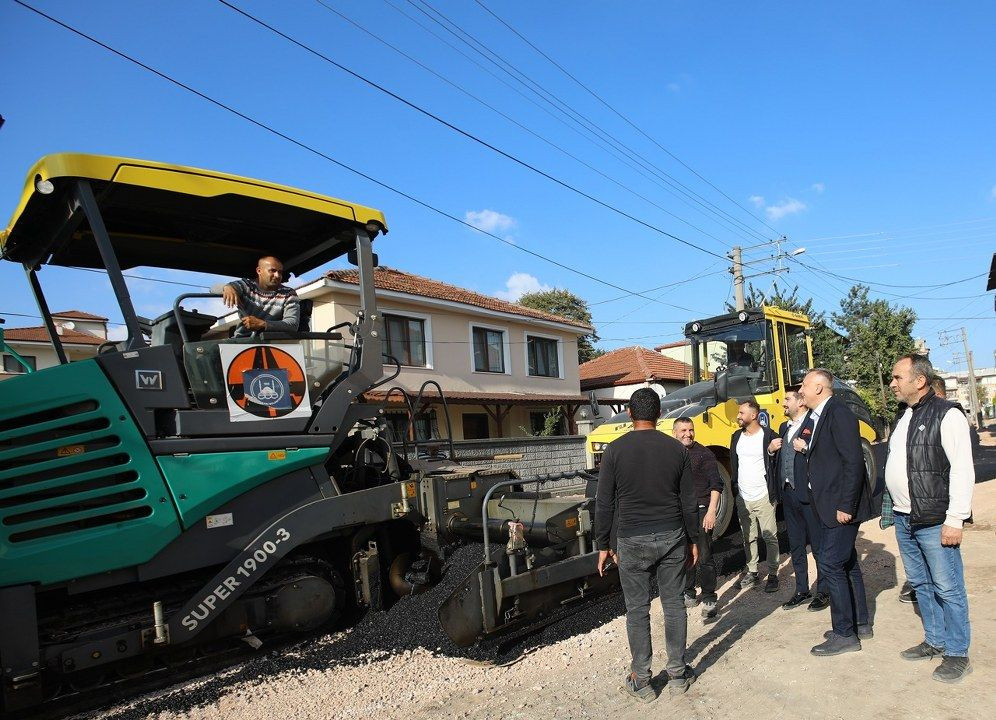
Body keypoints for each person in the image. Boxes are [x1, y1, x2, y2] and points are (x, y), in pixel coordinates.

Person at [594, 388, 699, 702]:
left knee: (637, 611)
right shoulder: (677, 450)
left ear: (629, 413)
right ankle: (678, 673)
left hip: (632, 539)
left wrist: (603, 544)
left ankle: (642, 680)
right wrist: (694, 541)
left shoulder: (614, 450)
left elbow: (604, 503)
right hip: (671, 536)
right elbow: (689, 502)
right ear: (660, 415)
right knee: (674, 605)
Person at [887, 355, 975, 683]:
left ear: (919, 380)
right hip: (904, 518)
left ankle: (957, 652)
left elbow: (963, 469)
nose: (892, 383)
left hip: (935, 519)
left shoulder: (947, 415)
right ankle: (935, 641)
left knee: (948, 587)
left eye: (898, 377)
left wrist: (955, 518)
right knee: (922, 584)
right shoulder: (905, 415)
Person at [796, 369, 873, 656]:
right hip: (828, 505)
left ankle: (844, 634)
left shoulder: (838, 412)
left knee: (829, 563)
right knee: (847, 562)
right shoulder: (819, 416)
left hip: (840, 507)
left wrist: (846, 505)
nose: (800, 390)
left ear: (818, 388)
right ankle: (859, 622)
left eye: (804, 385)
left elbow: (853, 462)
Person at [768, 389, 830, 612]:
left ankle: (824, 590)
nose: (783, 403)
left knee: (818, 544)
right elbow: (783, 458)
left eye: (787, 399)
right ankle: (801, 589)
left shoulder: (814, 425)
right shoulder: (785, 428)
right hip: (789, 494)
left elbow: (822, 454)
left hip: (808, 493)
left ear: (801, 403)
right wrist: (771, 451)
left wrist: (805, 448)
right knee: (796, 545)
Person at [672, 416, 724, 618]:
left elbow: (716, 485)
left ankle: (710, 597)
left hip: (702, 511)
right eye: (683, 430)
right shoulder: (671, 455)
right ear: (675, 433)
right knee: (684, 554)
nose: (688, 434)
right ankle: (689, 592)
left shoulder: (704, 454)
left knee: (705, 555)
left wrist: (711, 512)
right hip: (679, 513)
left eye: (691, 430)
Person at [730, 399, 781, 592]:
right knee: (748, 537)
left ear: (753, 415)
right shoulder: (736, 436)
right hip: (743, 497)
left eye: (741, 413)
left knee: (770, 537)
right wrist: (736, 489)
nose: (738, 416)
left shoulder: (768, 436)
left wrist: (771, 452)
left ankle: (773, 573)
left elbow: (777, 463)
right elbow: (736, 464)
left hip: (764, 495)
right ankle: (752, 572)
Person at [220, 256, 300, 337]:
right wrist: (228, 288)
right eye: (273, 270)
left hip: (275, 343)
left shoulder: (289, 293)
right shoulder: (247, 286)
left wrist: (262, 324)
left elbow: (292, 324)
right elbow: (229, 286)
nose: (277, 275)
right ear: (259, 271)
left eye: (280, 272)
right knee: (214, 349)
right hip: (243, 339)